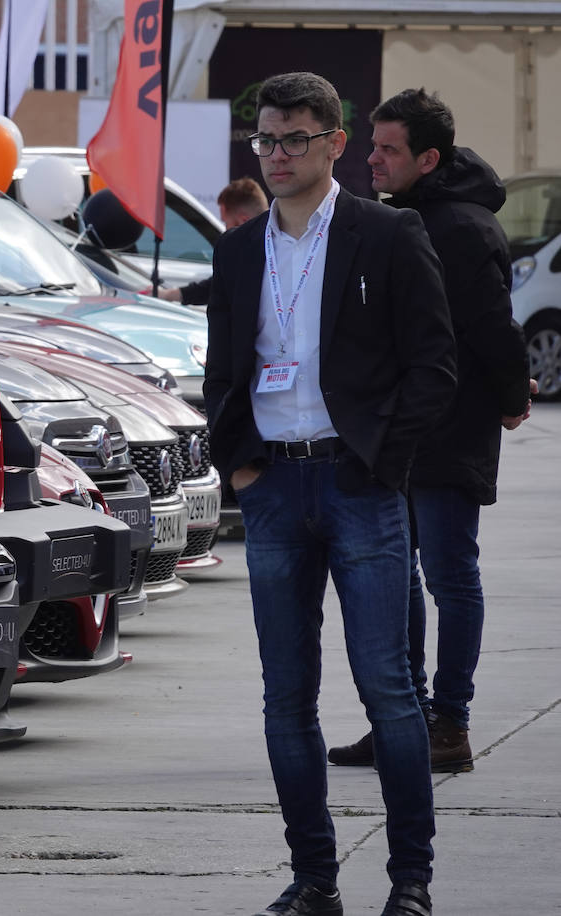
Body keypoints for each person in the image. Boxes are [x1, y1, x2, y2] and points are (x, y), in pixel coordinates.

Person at [204, 72, 455, 916]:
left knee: (388, 688)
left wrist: (380, 462)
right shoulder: (238, 248)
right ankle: (315, 879)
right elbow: (221, 374)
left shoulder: (387, 235)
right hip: (274, 488)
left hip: (359, 487)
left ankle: (410, 882)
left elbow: (434, 367)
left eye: (295, 139)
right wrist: (238, 464)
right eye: (266, 140)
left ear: (335, 144)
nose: (277, 155)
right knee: (286, 695)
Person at [327, 89, 535, 775]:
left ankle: (449, 723)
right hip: (400, 431)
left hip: (452, 430)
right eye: (374, 144)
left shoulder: (464, 228)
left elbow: (493, 328)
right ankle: (404, 721)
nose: (373, 159)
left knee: (450, 574)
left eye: (388, 149)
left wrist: (509, 399)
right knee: (396, 576)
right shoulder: (398, 218)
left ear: (429, 157)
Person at [157, 177, 268, 304]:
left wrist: (167, 295)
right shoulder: (280, 247)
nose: (225, 231)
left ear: (244, 221)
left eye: (227, 224)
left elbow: (215, 288)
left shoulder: (252, 257)